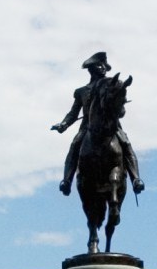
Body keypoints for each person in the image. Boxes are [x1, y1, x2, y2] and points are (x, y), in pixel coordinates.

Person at [52, 51, 143, 196]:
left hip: (111, 127)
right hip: (88, 127)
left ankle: (136, 179)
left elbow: (120, 108)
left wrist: (120, 106)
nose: (103, 68)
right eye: (99, 65)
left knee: (125, 144)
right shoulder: (81, 91)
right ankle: (66, 181)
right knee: (75, 146)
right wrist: (63, 124)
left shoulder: (113, 84)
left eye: (104, 65)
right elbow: (73, 113)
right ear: (91, 69)